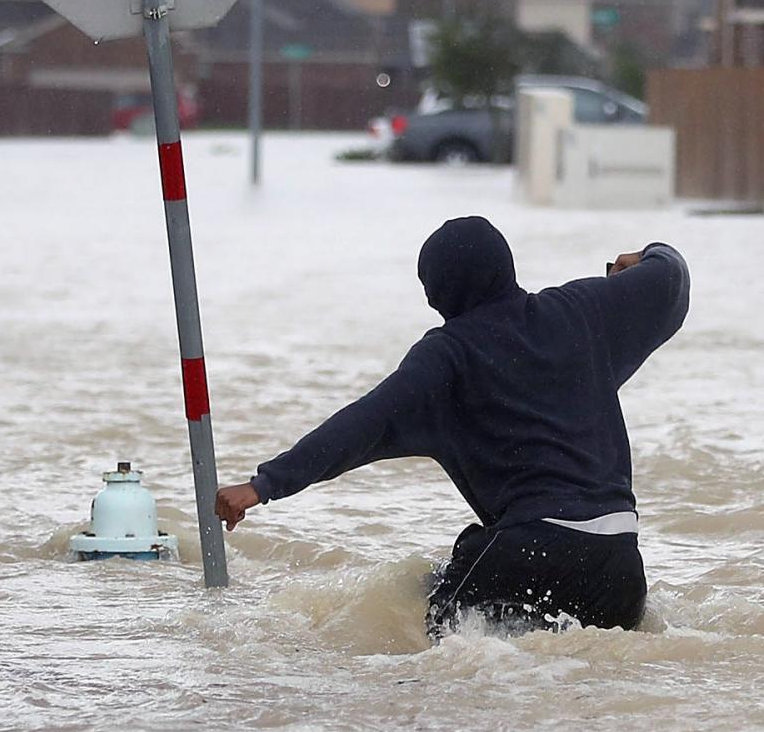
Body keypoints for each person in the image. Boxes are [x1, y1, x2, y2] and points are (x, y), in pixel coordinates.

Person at [214, 215, 689, 633]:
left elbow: (363, 423)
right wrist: (646, 254)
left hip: (531, 552)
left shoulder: (447, 358)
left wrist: (265, 485)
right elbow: (671, 277)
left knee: (434, 626)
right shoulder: (583, 311)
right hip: (621, 570)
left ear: (438, 294)